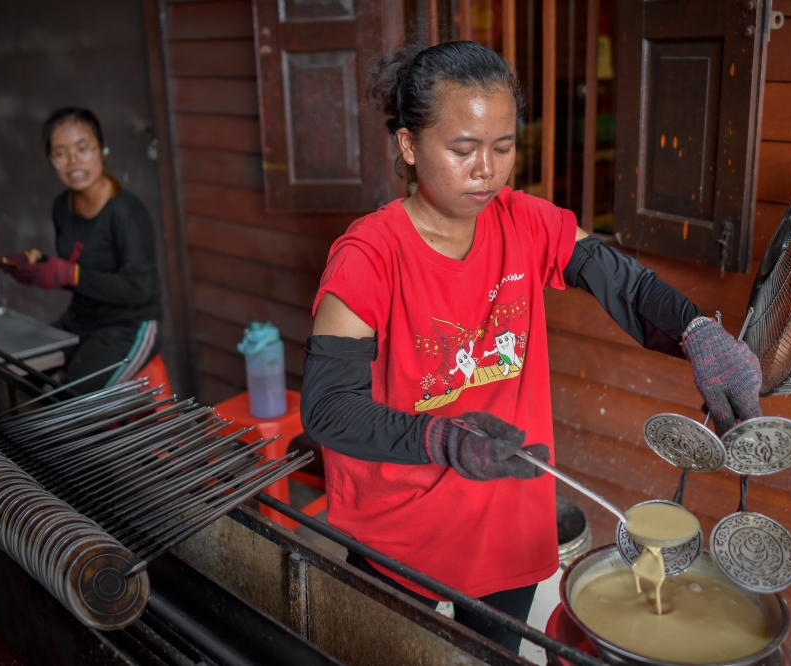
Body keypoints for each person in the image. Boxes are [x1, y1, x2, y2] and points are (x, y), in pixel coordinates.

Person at [300, 42, 761, 653]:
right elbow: (329, 407)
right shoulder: (369, 257)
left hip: (504, 523)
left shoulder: (524, 222)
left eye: (504, 147)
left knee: (492, 653)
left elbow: (620, 281)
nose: (486, 171)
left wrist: (696, 330)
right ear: (409, 146)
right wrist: (440, 438)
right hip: (398, 531)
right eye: (463, 150)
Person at [3, 108, 163, 393]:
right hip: (81, 318)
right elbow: (80, 267)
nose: (73, 161)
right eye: (61, 153)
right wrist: (42, 267)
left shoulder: (126, 212)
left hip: (129, 327)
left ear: (102, 150)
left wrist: (70, 274)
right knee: (19, 370)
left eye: (83, 148)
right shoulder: (62, 207)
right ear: (51, 160)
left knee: (68, 402)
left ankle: (100, 431)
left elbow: (141, 289)